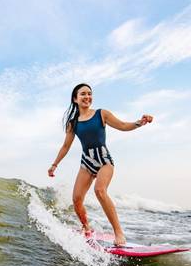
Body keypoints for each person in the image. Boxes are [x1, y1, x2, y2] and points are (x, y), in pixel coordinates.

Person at [48, 83, 153, 246]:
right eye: (83, 94)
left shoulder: (101, 114)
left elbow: (123, 126)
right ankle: (86, 228)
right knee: (76, 199)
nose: (87, 97)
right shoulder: (73, 123)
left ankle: (118, 232)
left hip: (104, 160)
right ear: (75, 99)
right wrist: (54, 165)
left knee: (100, 191)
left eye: (89, 94)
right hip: (87, 162)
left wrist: (140, 122)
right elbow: (66, 146)